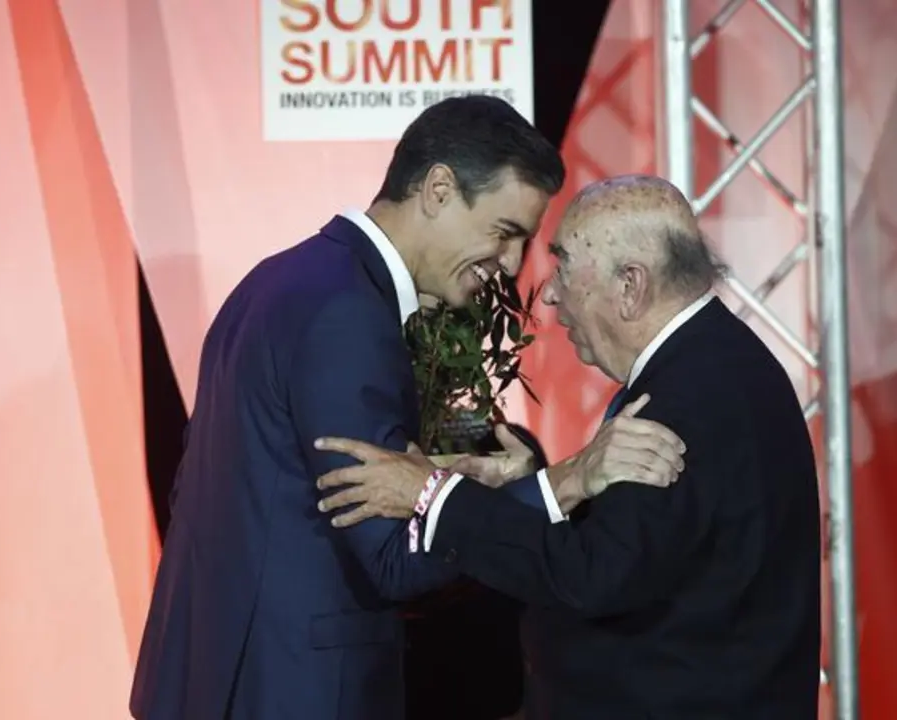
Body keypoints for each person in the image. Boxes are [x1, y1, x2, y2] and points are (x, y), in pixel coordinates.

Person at [128, 98, 688, 720]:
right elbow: (392, 560)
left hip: (217, 677)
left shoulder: (282, 280)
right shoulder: (348, 315)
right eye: (504, 232)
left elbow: (261, 490)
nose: (510, 264)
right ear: (439, 189)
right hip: (298, 690)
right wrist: (565, 482)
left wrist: (449, 485)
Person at [314, 174, 822, 718]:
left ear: (630, 286)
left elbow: (592, 576)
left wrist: (432, 494)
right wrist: (539, 487)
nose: (551, 292)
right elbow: (648, 549)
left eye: (563, 266)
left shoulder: (684, 398)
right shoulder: (712, 364)